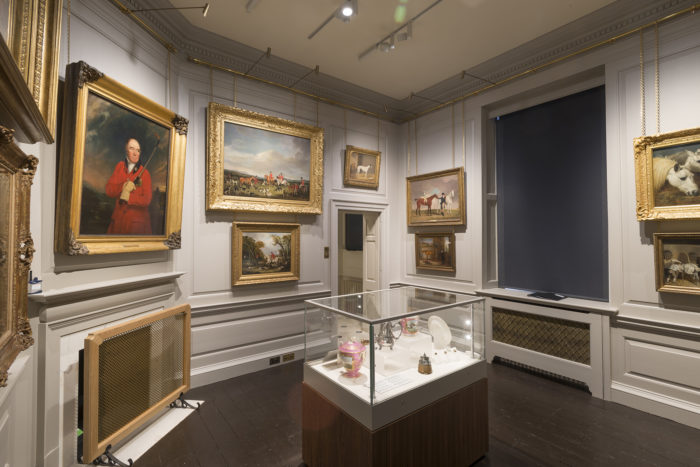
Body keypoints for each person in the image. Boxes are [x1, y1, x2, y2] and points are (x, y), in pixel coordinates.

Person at [105, 137, 152, 234]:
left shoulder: (145, 173)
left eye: (138, 150)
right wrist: (122, 186)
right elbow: (109, 190)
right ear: (126, 150)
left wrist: (128, 197)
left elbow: (147, 199)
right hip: (117, 223)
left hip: (136, 225)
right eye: (132, 148)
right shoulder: (119, 166)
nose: (135, 153)